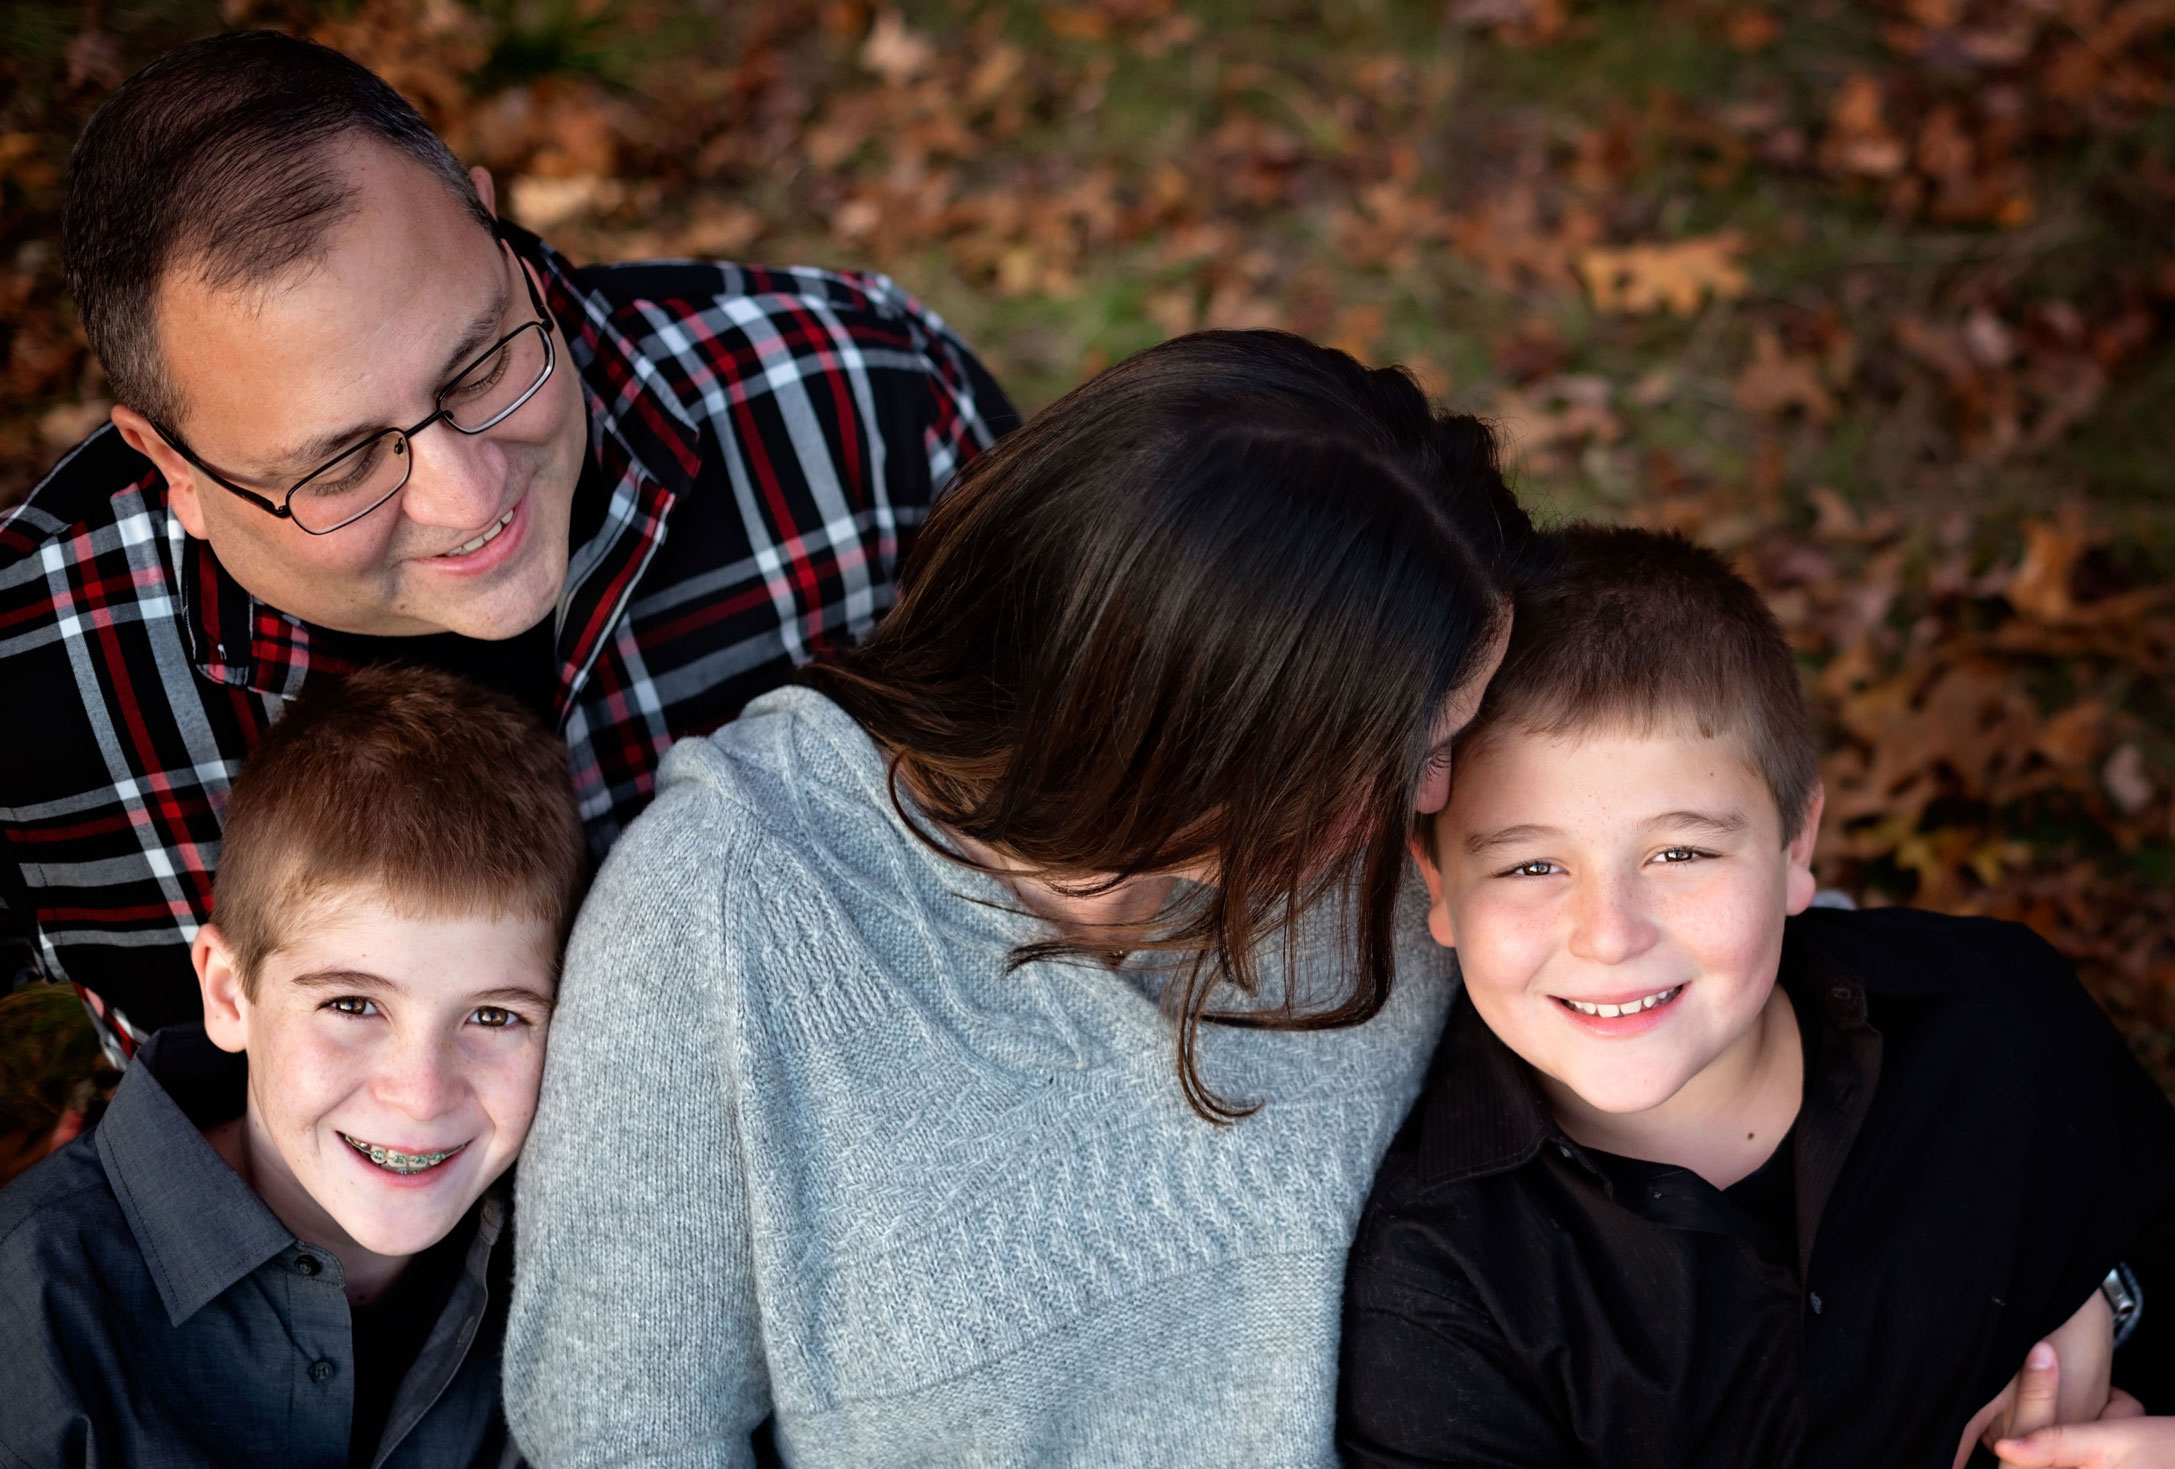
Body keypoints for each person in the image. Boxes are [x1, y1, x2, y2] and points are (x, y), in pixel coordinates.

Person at [503, 330, 1536, 1466]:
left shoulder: (1403, 846)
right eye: (1409, 751)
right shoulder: (726, 908)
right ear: (1187, 737)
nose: (1445, 796)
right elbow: (622, 1430)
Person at [0, 30, 1015, 1061]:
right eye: (344, 462)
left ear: (488, 220)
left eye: (482, 363)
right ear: (168, 462)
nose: (468, 494)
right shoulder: (28, 684)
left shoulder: (866, 397)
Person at [1337, 525, 2175, 1467]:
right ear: (1440, 887)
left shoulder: (1994, 1018)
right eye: (1532, 864)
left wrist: (2108, 1298)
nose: (1610, 933)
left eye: (1681, 853)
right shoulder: (1443, 1290)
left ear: (1796, 845)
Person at [0, 666, 585, 1468]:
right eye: (352, 1005)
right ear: (230, 995)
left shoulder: (573, 1268)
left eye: (493, 1016)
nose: (419, 1096)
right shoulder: (30, 1313)